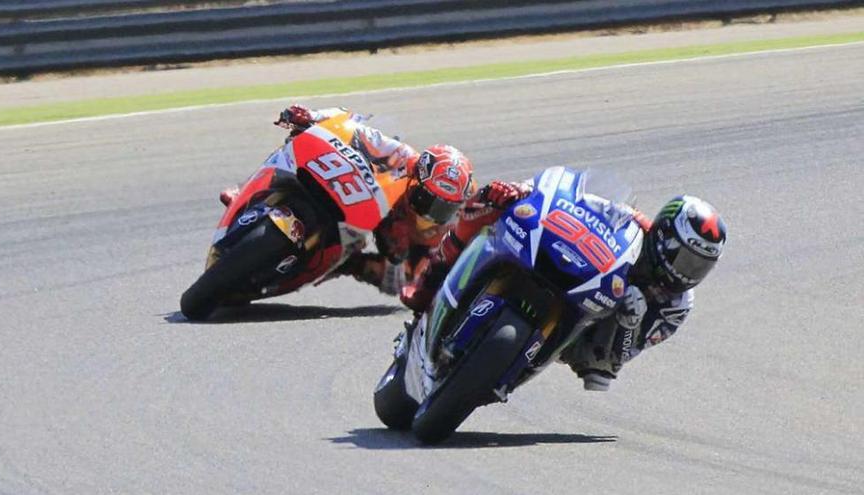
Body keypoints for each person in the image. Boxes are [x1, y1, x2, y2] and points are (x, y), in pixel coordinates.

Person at [401, 187, 727, 392]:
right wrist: (523, 192)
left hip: (588, 338)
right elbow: (575, 202)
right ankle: (431, 281)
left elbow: (614, 363)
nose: (688, 273)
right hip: (574, 274)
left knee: (599, 369)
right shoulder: (634, 223)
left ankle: (503, 371)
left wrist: (628, 323)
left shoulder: (677, 305)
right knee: (492, 202)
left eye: (700, 267)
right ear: (664, 238)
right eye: (686, 259)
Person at [220, 105, 477, 294]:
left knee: (384, 272)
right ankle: (245, 192)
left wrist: (362, 266)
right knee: (295, 143)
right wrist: (312, 117)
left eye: (444, 207)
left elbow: (413, 279)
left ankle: (324, 266)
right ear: (416, 179)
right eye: (428, 199)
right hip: (356, 193)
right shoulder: (402, 157)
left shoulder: (439, 233)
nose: (432, 212)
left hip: (370, 236)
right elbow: (352, 123)